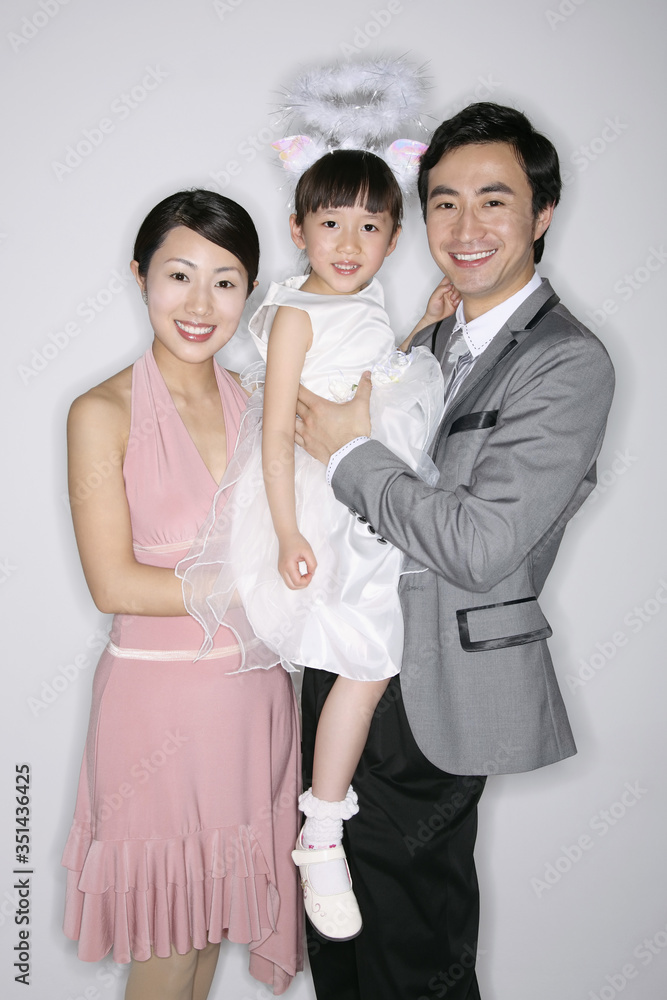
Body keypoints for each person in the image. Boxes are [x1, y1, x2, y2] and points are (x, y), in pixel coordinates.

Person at [294, 102, 615, 999]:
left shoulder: (566, 361)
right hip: (342, 655)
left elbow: (479, 545)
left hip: (431, 686)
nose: (464, 226)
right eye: (443, 202)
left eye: (493, 200)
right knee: (339, 944)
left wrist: (347, 454)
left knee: (411, 949)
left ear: (541, 214)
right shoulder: (431, 338)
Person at [177, 149, 456, 941]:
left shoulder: (362, 301)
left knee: (371, 666)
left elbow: (368, 379)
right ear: (298, 230)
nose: (348, 242)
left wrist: (418, 329)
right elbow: (274, 434)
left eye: (369, 226)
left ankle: (324, 826)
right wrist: (289, 530)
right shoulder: (296, 314)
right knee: (367, 665)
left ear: (393, 238)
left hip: (368, 495)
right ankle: (322, 831)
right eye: (330, 223)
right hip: (324, 508)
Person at [61, 190, 302, 999]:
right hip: (160, 711)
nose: (200, 305)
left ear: (250, 291)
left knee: (204, 950)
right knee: (170, 945)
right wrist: (258, 578)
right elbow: (114, 584)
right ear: (140, 276)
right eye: (179, 275)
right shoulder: (101, 412)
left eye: (225, 282)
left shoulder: (259, 402)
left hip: (256, 705)